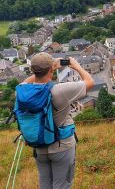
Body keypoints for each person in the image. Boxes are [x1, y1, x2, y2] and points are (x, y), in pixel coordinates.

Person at [22, 52, 95, 189]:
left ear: (33, 70)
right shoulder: (59, 90)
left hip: (39, 146)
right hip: (62, 146)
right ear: (50, 69)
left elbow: (27, 81)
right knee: (62, 185)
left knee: (45, 184)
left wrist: (45, 69)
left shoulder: (23, 90)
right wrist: (76, 66)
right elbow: (90, 82)